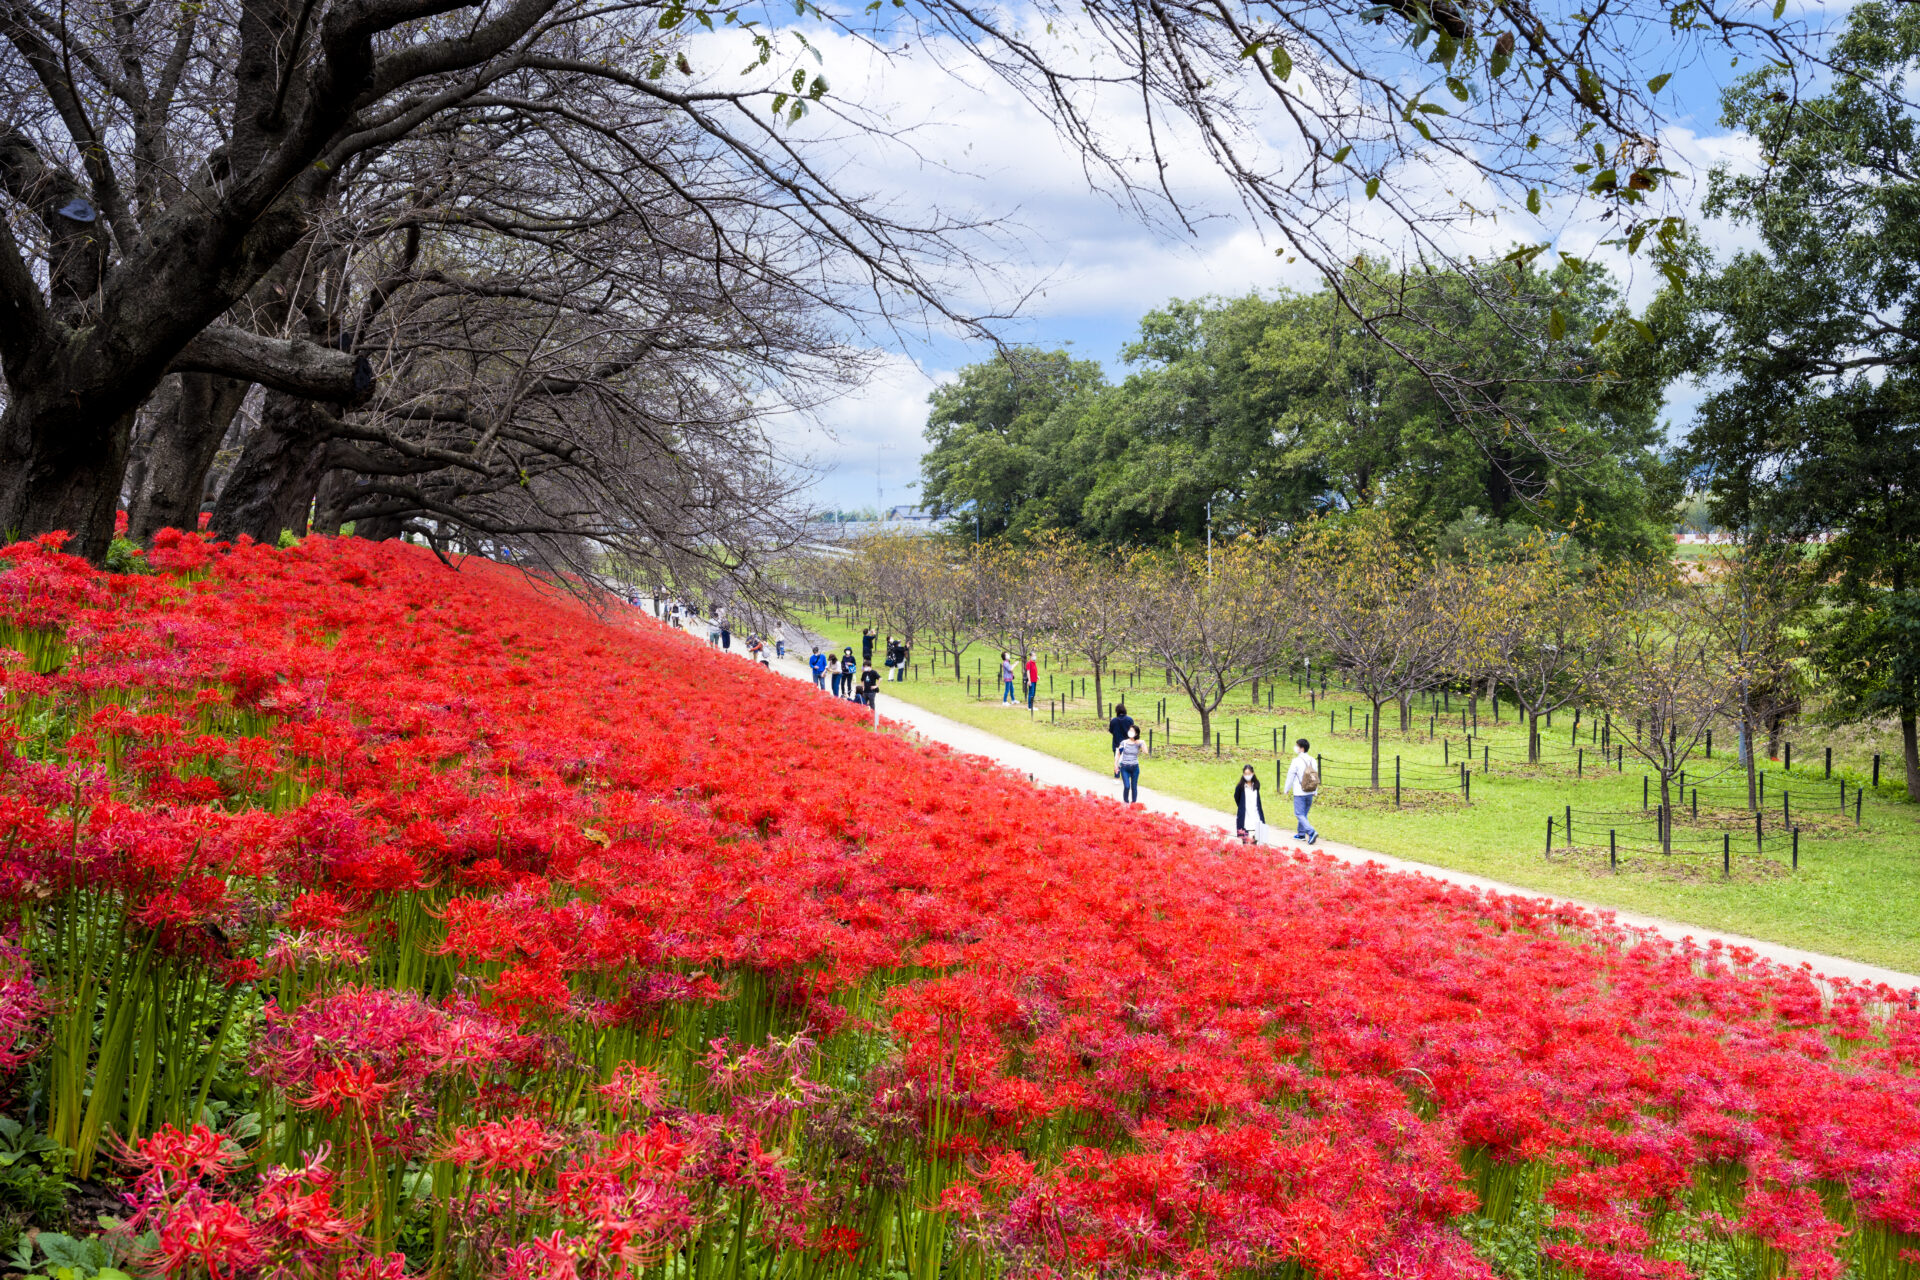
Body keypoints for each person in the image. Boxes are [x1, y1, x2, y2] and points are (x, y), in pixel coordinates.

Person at [1282, 738, 1320, 845]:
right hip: (1310, 791)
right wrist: (1315, 790)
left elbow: (1290, 776)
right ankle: (1301, 834)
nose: (1296, 747)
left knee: (1299, 814)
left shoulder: (1296, 761)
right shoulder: (1313, 760)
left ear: (1301, 748)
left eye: (1297, 746)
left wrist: (1286, 789)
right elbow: (1315, 776)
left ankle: (1311, 832)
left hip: (1300, 792)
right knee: (1304, 814)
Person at [1233, 765, 1266, 845]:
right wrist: (1241, 807)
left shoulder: (1256, 785)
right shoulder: (1240, 787)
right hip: (1245, 813)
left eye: (1249, 773)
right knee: (1244, 834)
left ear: (1252, 773)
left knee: (1257, 833)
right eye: (1245, 774)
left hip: (1255, 812)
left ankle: (1254, 848)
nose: (1247, 776)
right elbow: (1236, 797)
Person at [1114, 725, 1142, 804]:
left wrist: (1142, 743)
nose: (1130, 732)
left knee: (1134, 787)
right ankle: (1126, 802)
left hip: (1135, 767)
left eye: (1132, 731)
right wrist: (1115, 765)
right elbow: (1118, 754)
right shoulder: (1124, 743)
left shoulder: (1138, 743)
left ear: (1136, 734)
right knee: (1127, 786)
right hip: (1125, 767)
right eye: (1130, 730)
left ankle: (1133, 804)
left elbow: (1146, 751)